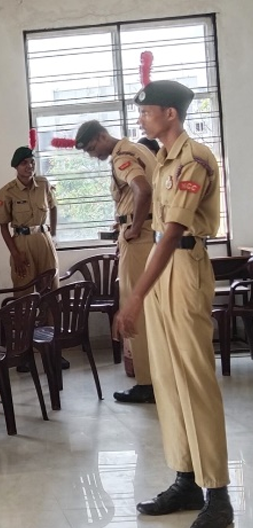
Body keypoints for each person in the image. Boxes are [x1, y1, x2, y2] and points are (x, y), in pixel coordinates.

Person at [114, 80, 232, 528]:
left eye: (147, 111)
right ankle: (186, 479)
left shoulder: (193, 159)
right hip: (162, 267)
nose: (141, 118)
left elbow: (174, 232)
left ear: (170, 114)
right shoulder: (162, 158)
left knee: (194, 380)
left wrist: (135, 297)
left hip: (183, 268)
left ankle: (218, 494)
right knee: (166, 379)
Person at [73, 120, 156, 403]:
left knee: (135, 308)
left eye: (92, 147)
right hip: (153, 237)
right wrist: (125, 219)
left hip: (139, 240)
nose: (92, 154)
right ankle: (159, 376)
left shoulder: (122, 157)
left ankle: (147, 382)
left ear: (101, 136)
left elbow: (143, 190)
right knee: (151, 308)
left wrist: (134, 227)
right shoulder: (139, 149)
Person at [0, 142, 60, 294]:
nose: (30, 166)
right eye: (24, 163)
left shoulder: (43, 184)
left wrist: (53, 234)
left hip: (44, 239)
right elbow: (3, 227)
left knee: (50, 289)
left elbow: (53, 206)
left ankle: (50, 312)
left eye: (32, 162)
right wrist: (15, 254)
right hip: (22, 244)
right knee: (23, 291)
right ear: (16, 167)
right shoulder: (7, 192)